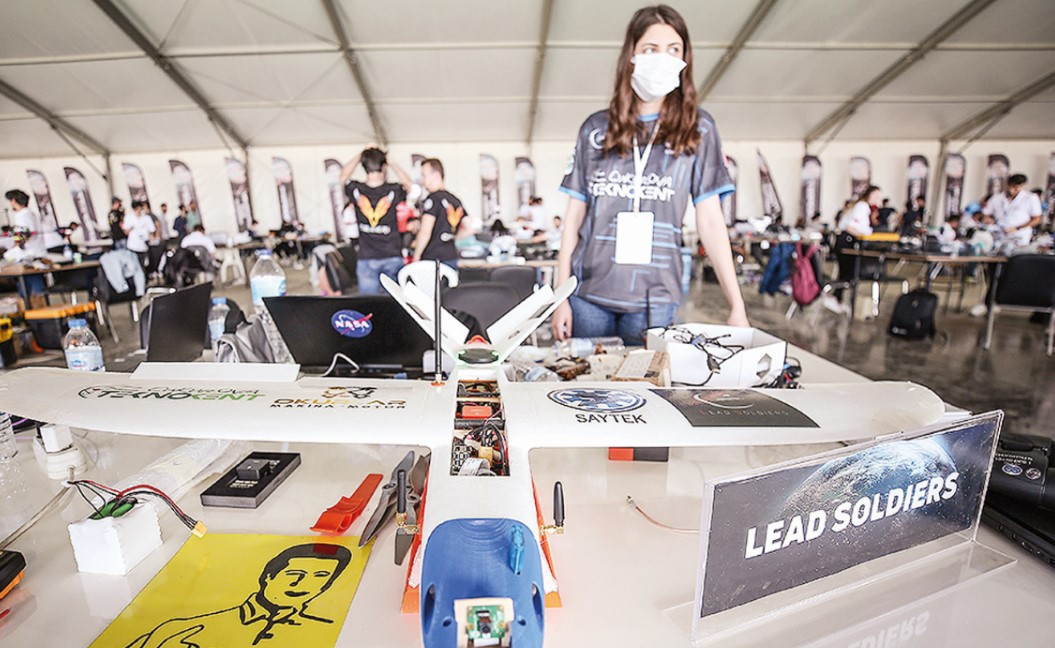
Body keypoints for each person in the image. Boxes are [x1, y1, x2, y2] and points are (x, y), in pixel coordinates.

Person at [551, 6, 748, 343]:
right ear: (632, 55)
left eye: (673, 49)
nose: (662, 59)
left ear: (685, 58)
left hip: (654, 298)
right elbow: (573, 220)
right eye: (651, 49)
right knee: (585, 377)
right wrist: (559, 297)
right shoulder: (596, 129)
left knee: (647, 378)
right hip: (589, 295)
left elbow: (711, 221)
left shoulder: (698, 129)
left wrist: (737, 305)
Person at [127, 543, 353, 648]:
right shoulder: (182, 630)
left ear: (326, 586)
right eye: (294, 574)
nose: (302, 584)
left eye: (320, 577)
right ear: (268, 576)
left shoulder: (333, 633)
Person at [339, 147, 412, 294]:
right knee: (394, 302)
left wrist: (361, 154)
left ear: (363, 166)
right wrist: (391, 162)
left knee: (368, 304)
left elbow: (342, 176)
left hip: (367, 257)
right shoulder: (394, 189)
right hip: (392, 255)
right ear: (384, 166)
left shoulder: (356, 189)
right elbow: (410, 185)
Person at [412, 158, 467, 269]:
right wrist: (452, 238)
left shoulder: (432, 199)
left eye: (424, 175)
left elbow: (425, 232)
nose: (422, 180)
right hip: (451, 256)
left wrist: (416, 256)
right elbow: (470, 227)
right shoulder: (454, 200)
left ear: (436, 175)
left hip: (432, 259)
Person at [984, 173, 1042, 247]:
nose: (1016, 190)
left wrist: (1017, 228)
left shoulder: (1030, 198)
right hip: (999, 234)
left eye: (1019, 187)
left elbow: (1037, 219)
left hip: (1019, 236)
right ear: (1007, 184)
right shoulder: (996, 198)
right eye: (1013, 187)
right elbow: (986, 214)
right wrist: (988, 219)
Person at [122, 200, 156, 267]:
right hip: (133, 246)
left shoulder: (146, 218)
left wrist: (150, 237)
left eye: (139, 208)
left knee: (143, 264)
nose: (138, 210)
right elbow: (126, 232)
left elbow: (152, 230)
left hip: (144, 246)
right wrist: (131, 228)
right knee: (135, 265)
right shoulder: (129, 218)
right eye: (136, 209)